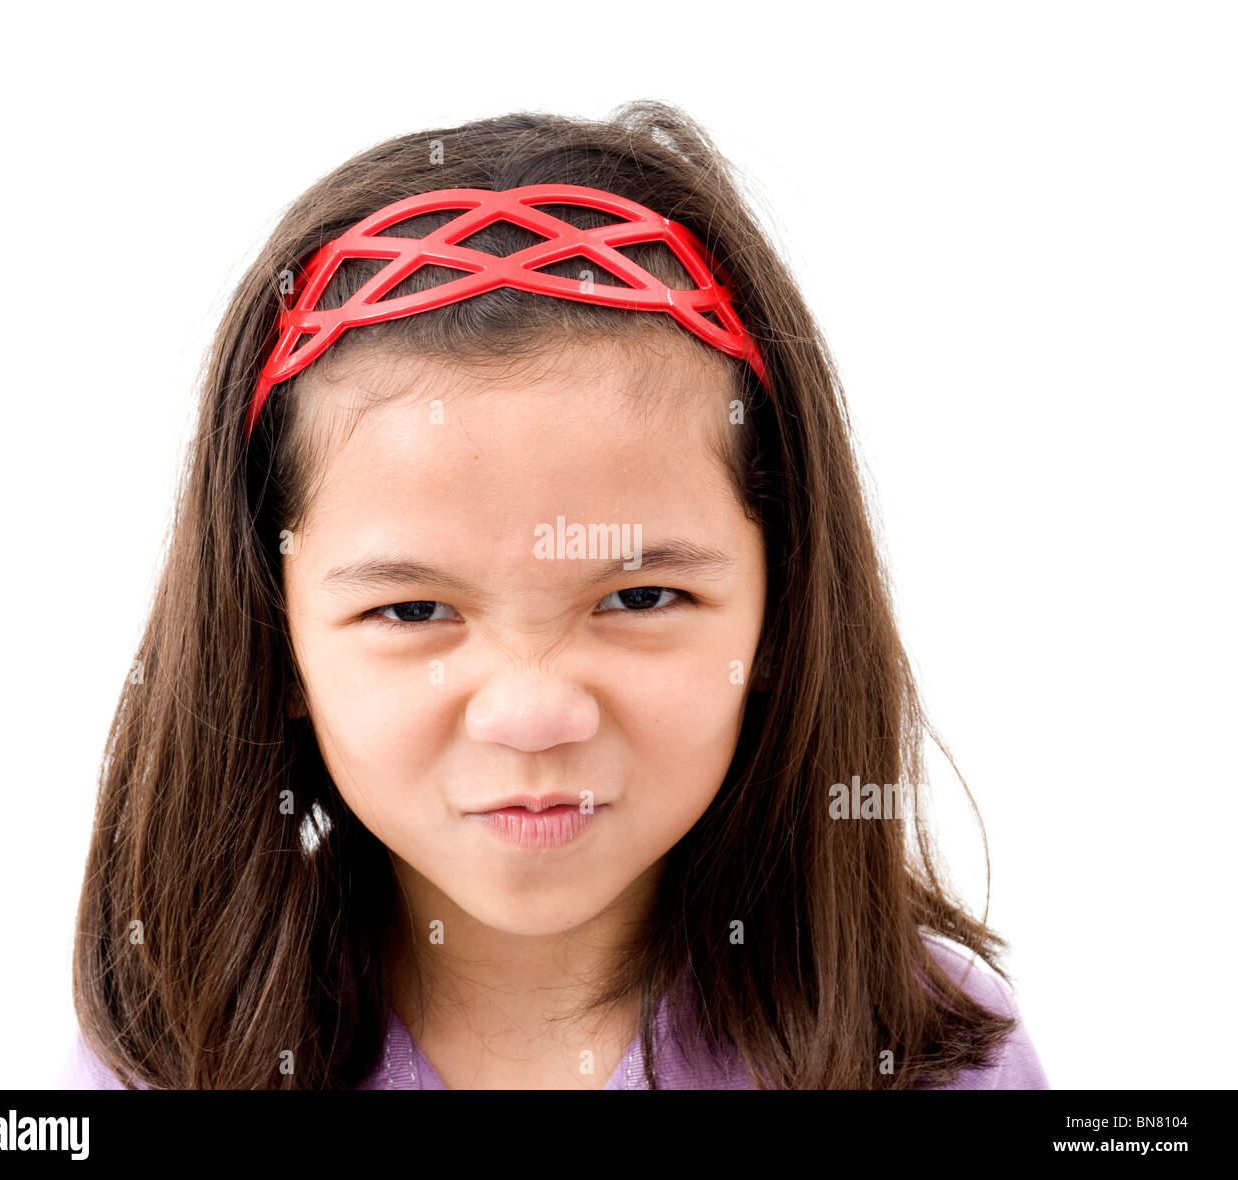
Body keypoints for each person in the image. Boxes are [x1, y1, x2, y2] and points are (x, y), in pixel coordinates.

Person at [58, 100, 1048, 1090]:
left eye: (641, 597)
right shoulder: (167, 1059)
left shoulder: (934, 1058)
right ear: (272, 638)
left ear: (783, 609)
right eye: (411, 612)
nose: (532, 714)